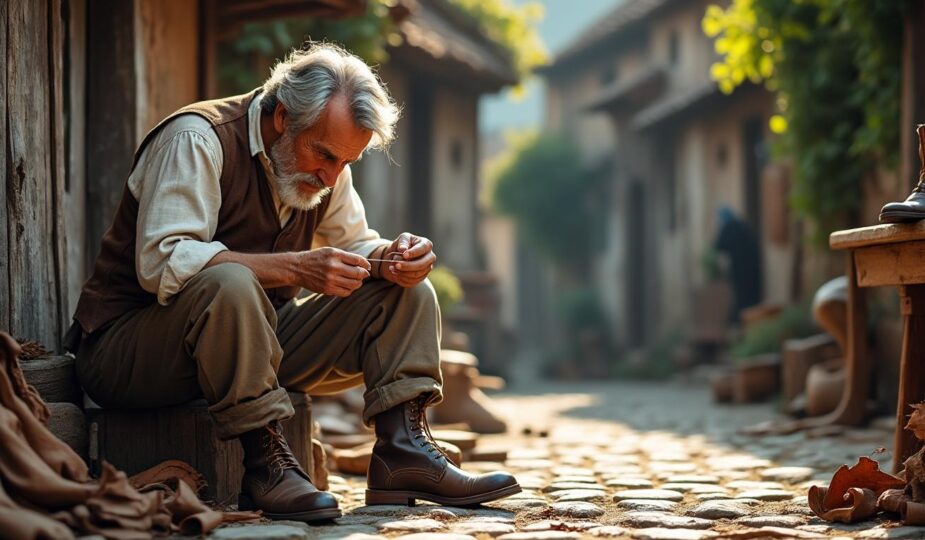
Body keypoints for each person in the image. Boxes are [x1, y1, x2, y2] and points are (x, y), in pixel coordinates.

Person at [65, 43, 520, 523]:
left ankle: (402, 456)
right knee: (230, 285)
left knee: (405, 292)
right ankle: (266, 465)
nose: (331, 175)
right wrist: (296, 268)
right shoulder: (197, 139)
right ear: (282, 116)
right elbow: (163, 262)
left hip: (249, 345)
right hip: (129, 353)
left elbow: (357, 243)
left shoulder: (328, 166)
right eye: (323, 155)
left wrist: (394, 258)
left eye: (346, 162)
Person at [713, 206, 763, 321]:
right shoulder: (742, 225)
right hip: (752, 267)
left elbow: (718, 246)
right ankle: (751, 318)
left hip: (738, 269)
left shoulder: (727, 228)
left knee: (741, 297)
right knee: (751, 294)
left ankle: (742, 320)